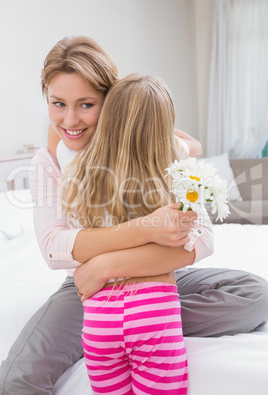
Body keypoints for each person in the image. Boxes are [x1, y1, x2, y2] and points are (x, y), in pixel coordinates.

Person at [0, 35, 267, 395]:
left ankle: (139, 325)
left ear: (111, 102)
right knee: (16, 378)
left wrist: (103, 267)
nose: (70, 120)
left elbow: (202, 237)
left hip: (149, 278)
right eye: (57, 104)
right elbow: (54, 247)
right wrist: (148, 227)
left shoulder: (152, 145)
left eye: (87, 104)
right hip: (85, 292)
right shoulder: (50, 160)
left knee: (255, 295)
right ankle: (115, 326)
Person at [58, 73, 210, 394]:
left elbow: (58, 140)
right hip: (153, 314)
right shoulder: (178, 172)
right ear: (165, 128)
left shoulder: (78, 169)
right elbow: (190, 147)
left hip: (99, 318)